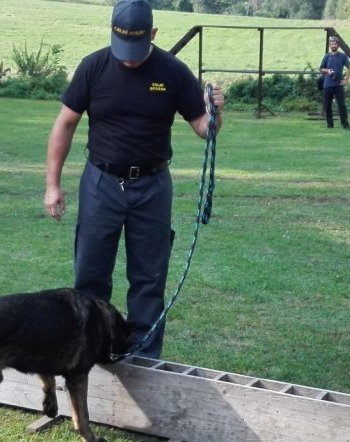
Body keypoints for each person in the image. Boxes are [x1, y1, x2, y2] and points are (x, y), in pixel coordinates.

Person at [44, 0, 224, 358]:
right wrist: (53, 184)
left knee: (148, 279)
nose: (128, 58)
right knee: (91, 276)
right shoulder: (93, 67)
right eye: (122, 46)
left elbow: (204, 129)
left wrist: (215, 112)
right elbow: (65, 124)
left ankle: (143, 360)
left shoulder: (172, 72)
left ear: (153, 34)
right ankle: (90, 354)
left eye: (136, 48)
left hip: (153, 187)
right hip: (100, 183)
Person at [319, 36, 350, 129]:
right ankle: (330, 124)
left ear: (338, 45)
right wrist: (328, 71)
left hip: (338, 84)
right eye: (332, 44)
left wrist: (346, 80)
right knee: (328, 105)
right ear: (330, 45)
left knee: (341, 105)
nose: (334, 45)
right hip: (327, 84)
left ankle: (345, 125)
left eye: (335, 44)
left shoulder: (343, 56)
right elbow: (321, 69)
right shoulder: (327, 56)